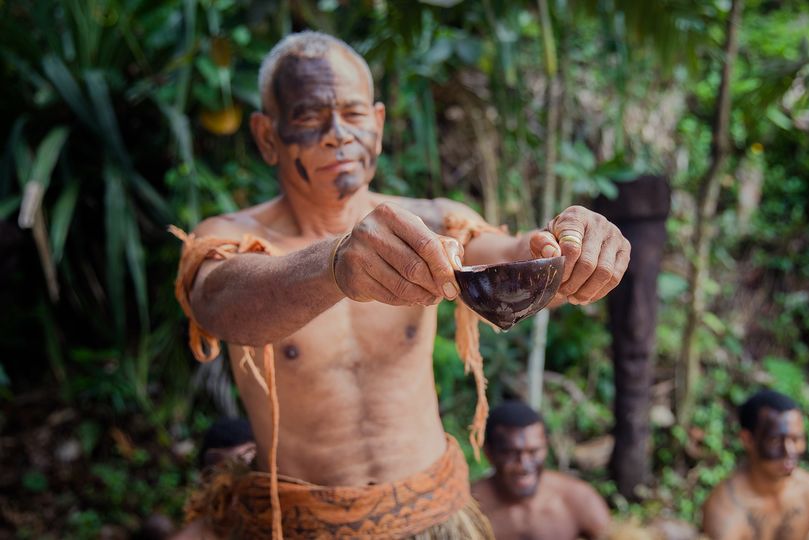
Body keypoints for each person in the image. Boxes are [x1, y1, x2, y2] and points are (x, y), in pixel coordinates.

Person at [171, 30, 630, 539]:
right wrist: (333, 265)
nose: (337, 134)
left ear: (379, 123)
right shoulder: (231, 238)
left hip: (431, 513)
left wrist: (571, 251)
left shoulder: (435, 221)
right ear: (266, 136)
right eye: (307, 117)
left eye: (354, 113)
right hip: (301, 524)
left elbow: (514, 255)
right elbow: (215, 303)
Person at [701, 390, 809, 540]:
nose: (789, 451)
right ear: (747, 439)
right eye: (775, 441)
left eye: (796, 439)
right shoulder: (726, 508)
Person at [471, 401, 611, 540]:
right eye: (512, 453)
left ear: (546, 447)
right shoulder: (468, 509)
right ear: (489, 453)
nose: (524, 465)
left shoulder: (578, 499)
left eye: (533, 451)